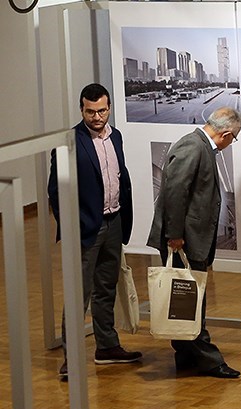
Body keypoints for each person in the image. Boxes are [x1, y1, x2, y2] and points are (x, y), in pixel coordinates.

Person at [47, 83, 142, 381]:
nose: (96, 117)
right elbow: (56, 191)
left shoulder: (116, 136)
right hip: (86, 229)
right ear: (81, 110)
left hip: (114, 222)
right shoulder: (68, 143)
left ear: (109, 108)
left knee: (106, 289)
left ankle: (107, 347)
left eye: (101, 111)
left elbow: (119, 178)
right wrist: (72, 227)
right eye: (90, 112)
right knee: (79, 295)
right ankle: (72, 359)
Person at [146, 107, 241, 379]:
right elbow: (175, 192)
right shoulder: (193, 146)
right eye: (234, 139)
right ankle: (209, 360)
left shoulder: (200, 146)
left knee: (184, 299)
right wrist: (174, 234)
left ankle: (186, 355)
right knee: (192, 299)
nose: (231, 143)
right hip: (183, 240)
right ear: (226, 134)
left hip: (187, 238)